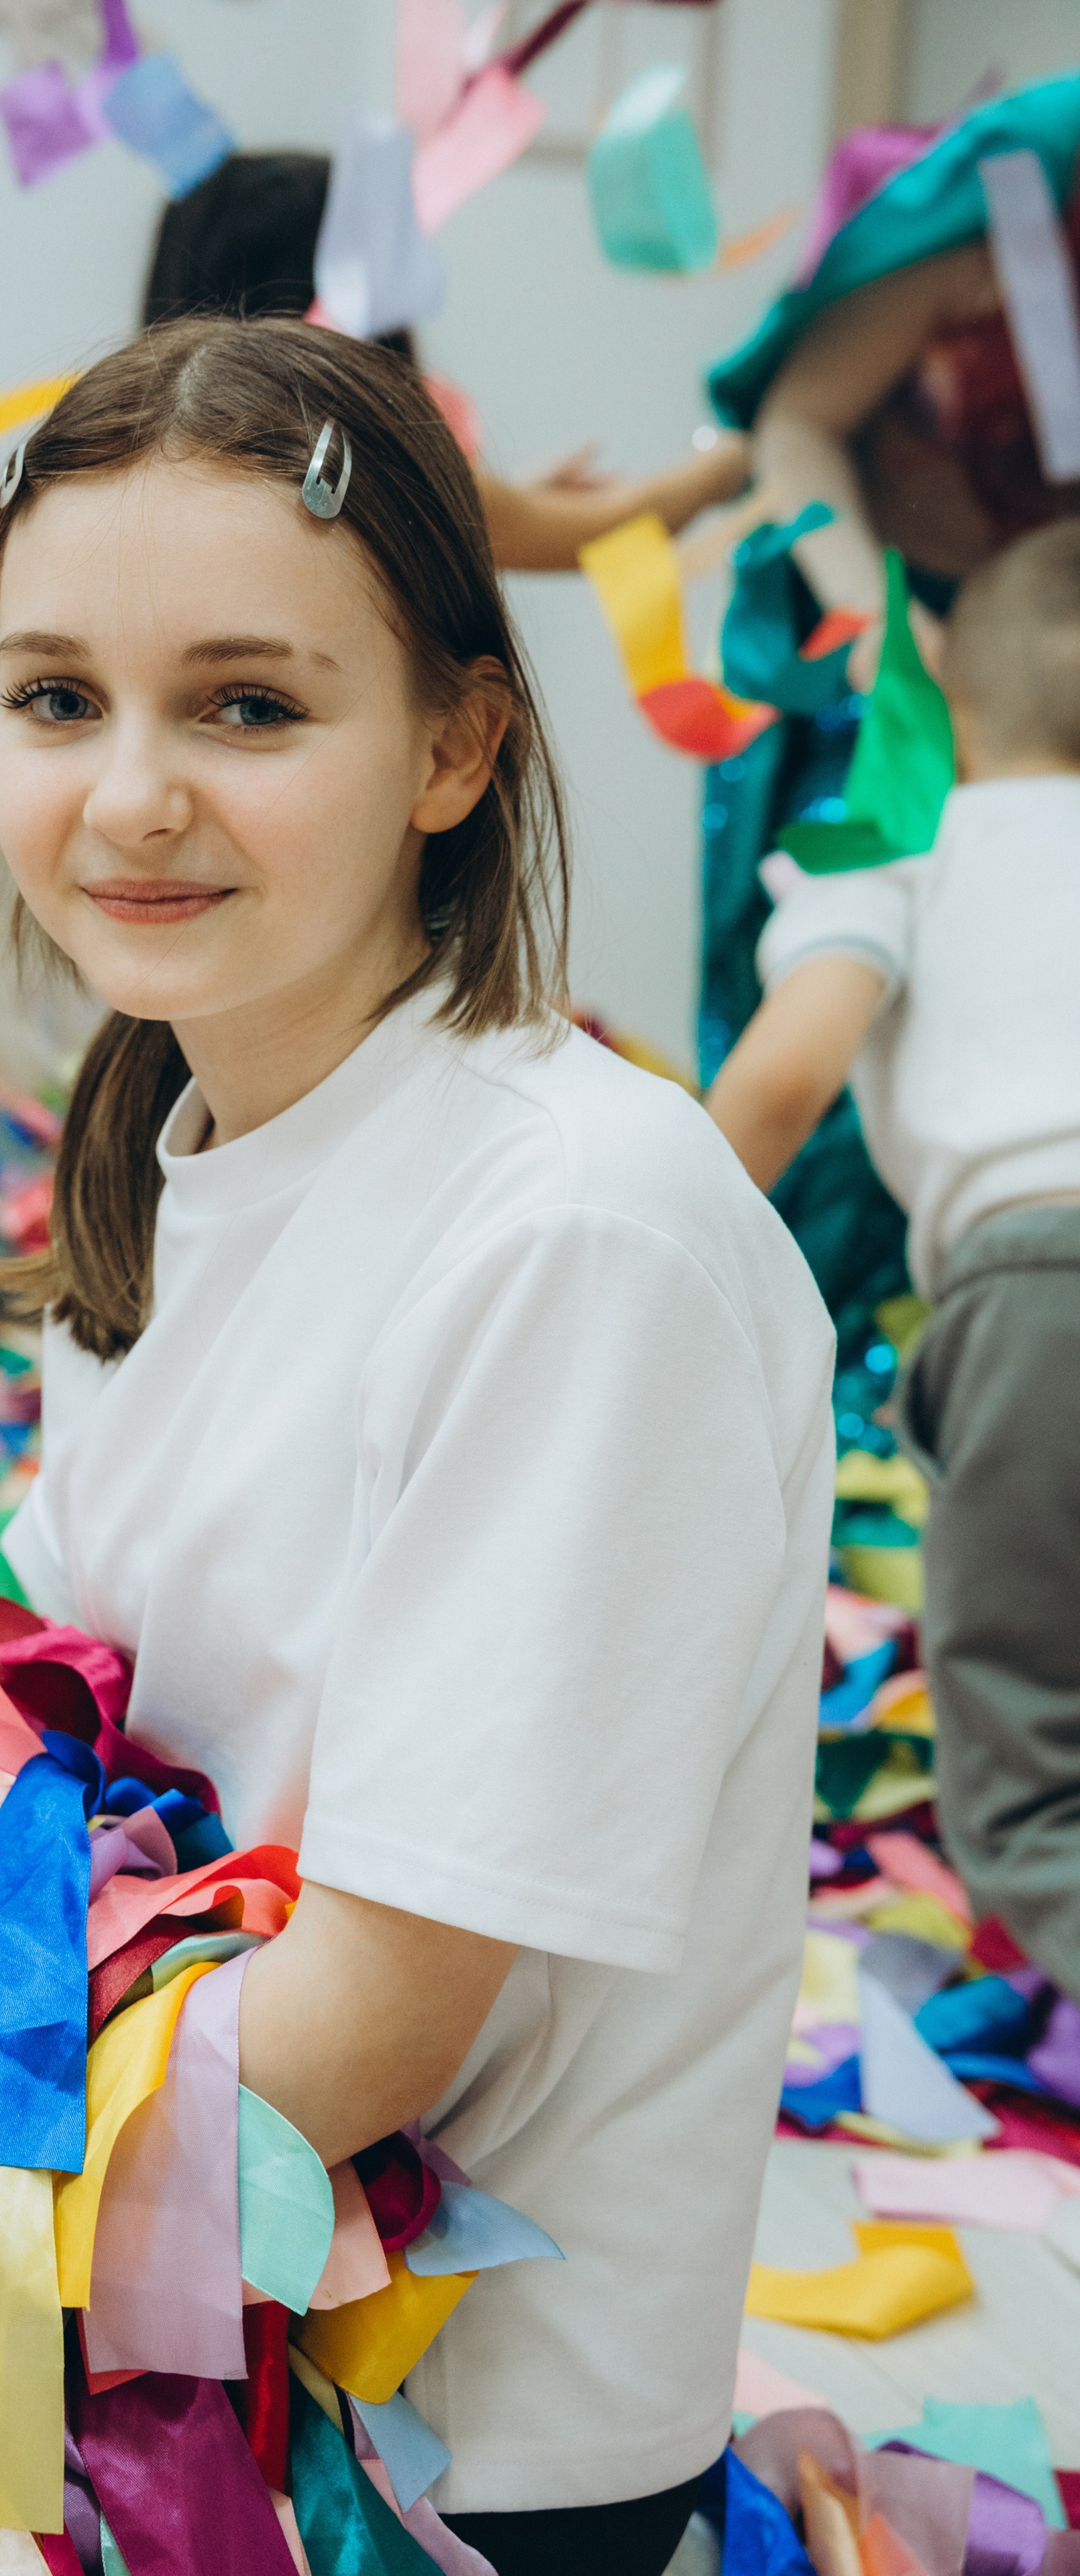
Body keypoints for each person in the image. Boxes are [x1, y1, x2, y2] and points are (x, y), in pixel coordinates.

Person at [0, 316, 835, 2573]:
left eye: (247, 706)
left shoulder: (581, 1237)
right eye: (59, 696)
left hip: (439, 2464)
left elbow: (360, 2041)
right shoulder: (172, 1142)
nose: (130, 792)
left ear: (458, 742)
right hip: (160, 2349)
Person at [706, 519, 1080, 2000]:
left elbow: (783, 1082)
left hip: (1031, 1301)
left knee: (1027, 1727)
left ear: (949, 706)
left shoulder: (895, 849)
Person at [696, 72, 1080, 1395]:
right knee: (839, 1014)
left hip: (1050, 684)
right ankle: (789, 1367)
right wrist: (880, 628)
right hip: (901, 679)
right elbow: (793, 426)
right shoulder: (1003, 206)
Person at [142, 150, 752, 572]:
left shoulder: (148, 465)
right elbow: (610, 529)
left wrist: (515, 499)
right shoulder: (380, 471)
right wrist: (725, 465)